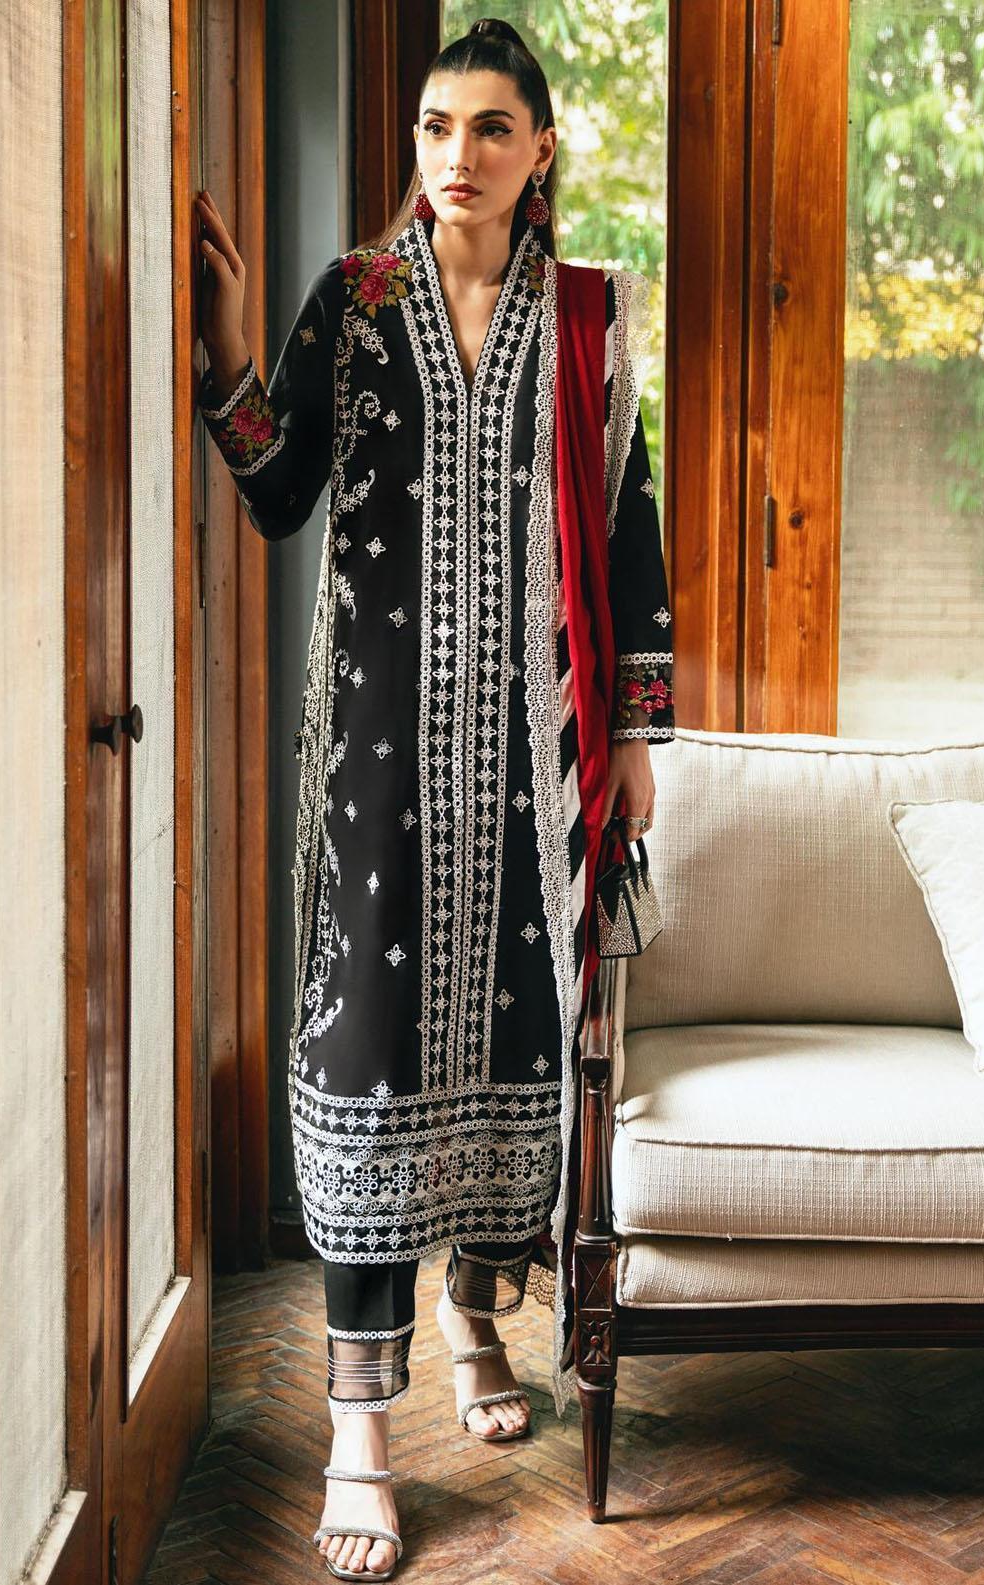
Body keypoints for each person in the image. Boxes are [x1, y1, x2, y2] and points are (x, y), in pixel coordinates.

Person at [195, 17, 674, 1579]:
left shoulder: (588, 319)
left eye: (488, 128)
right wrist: (226, 357)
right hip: (379, 765)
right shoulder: (356, 298)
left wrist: (630, 732)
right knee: (370, 1051)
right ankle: (356, 1428)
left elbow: (629, 528)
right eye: (432, 126)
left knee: (516, 1039)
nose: (453, 155)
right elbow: (278, 492)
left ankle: (474, 1315)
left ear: (541, 149)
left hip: (536, 761)